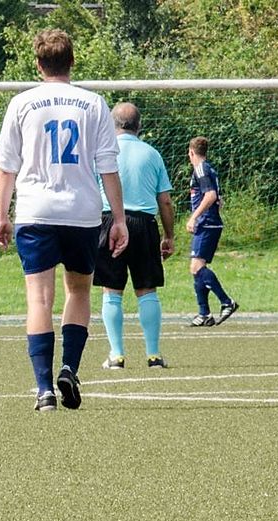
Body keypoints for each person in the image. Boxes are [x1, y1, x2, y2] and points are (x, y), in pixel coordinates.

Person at [0, 29, 128, 412]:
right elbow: (108, 167)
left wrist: (1, 216)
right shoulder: (94, 103)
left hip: (35, 212)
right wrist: (118, 219)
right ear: (72, 61)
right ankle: (69, 368)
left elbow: (7, 168)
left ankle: (44, 390)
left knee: (39, 298)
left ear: (38, 64)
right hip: (82, 213)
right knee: (79, 291)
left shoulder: (21, 103)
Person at [94, 102, 174, 370]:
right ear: (139, 125)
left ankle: (116, 355)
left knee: (111, 290)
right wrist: (169, 236)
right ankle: (153, 355)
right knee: (147, 289)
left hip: (109, 222)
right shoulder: (152, 154)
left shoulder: (103, 152)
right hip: (143, 224)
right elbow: (165, 200)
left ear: (112, 125)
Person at [186, 136, 238, 327]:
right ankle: (204, 314)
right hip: (209, 223)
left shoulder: (201, 169)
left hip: (206, 223)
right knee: (196, 267)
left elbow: (210, 195)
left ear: (191, 152)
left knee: (197, 267)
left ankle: (227, 302)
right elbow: (218, 199)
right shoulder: (209, 169)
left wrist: (194, 216)